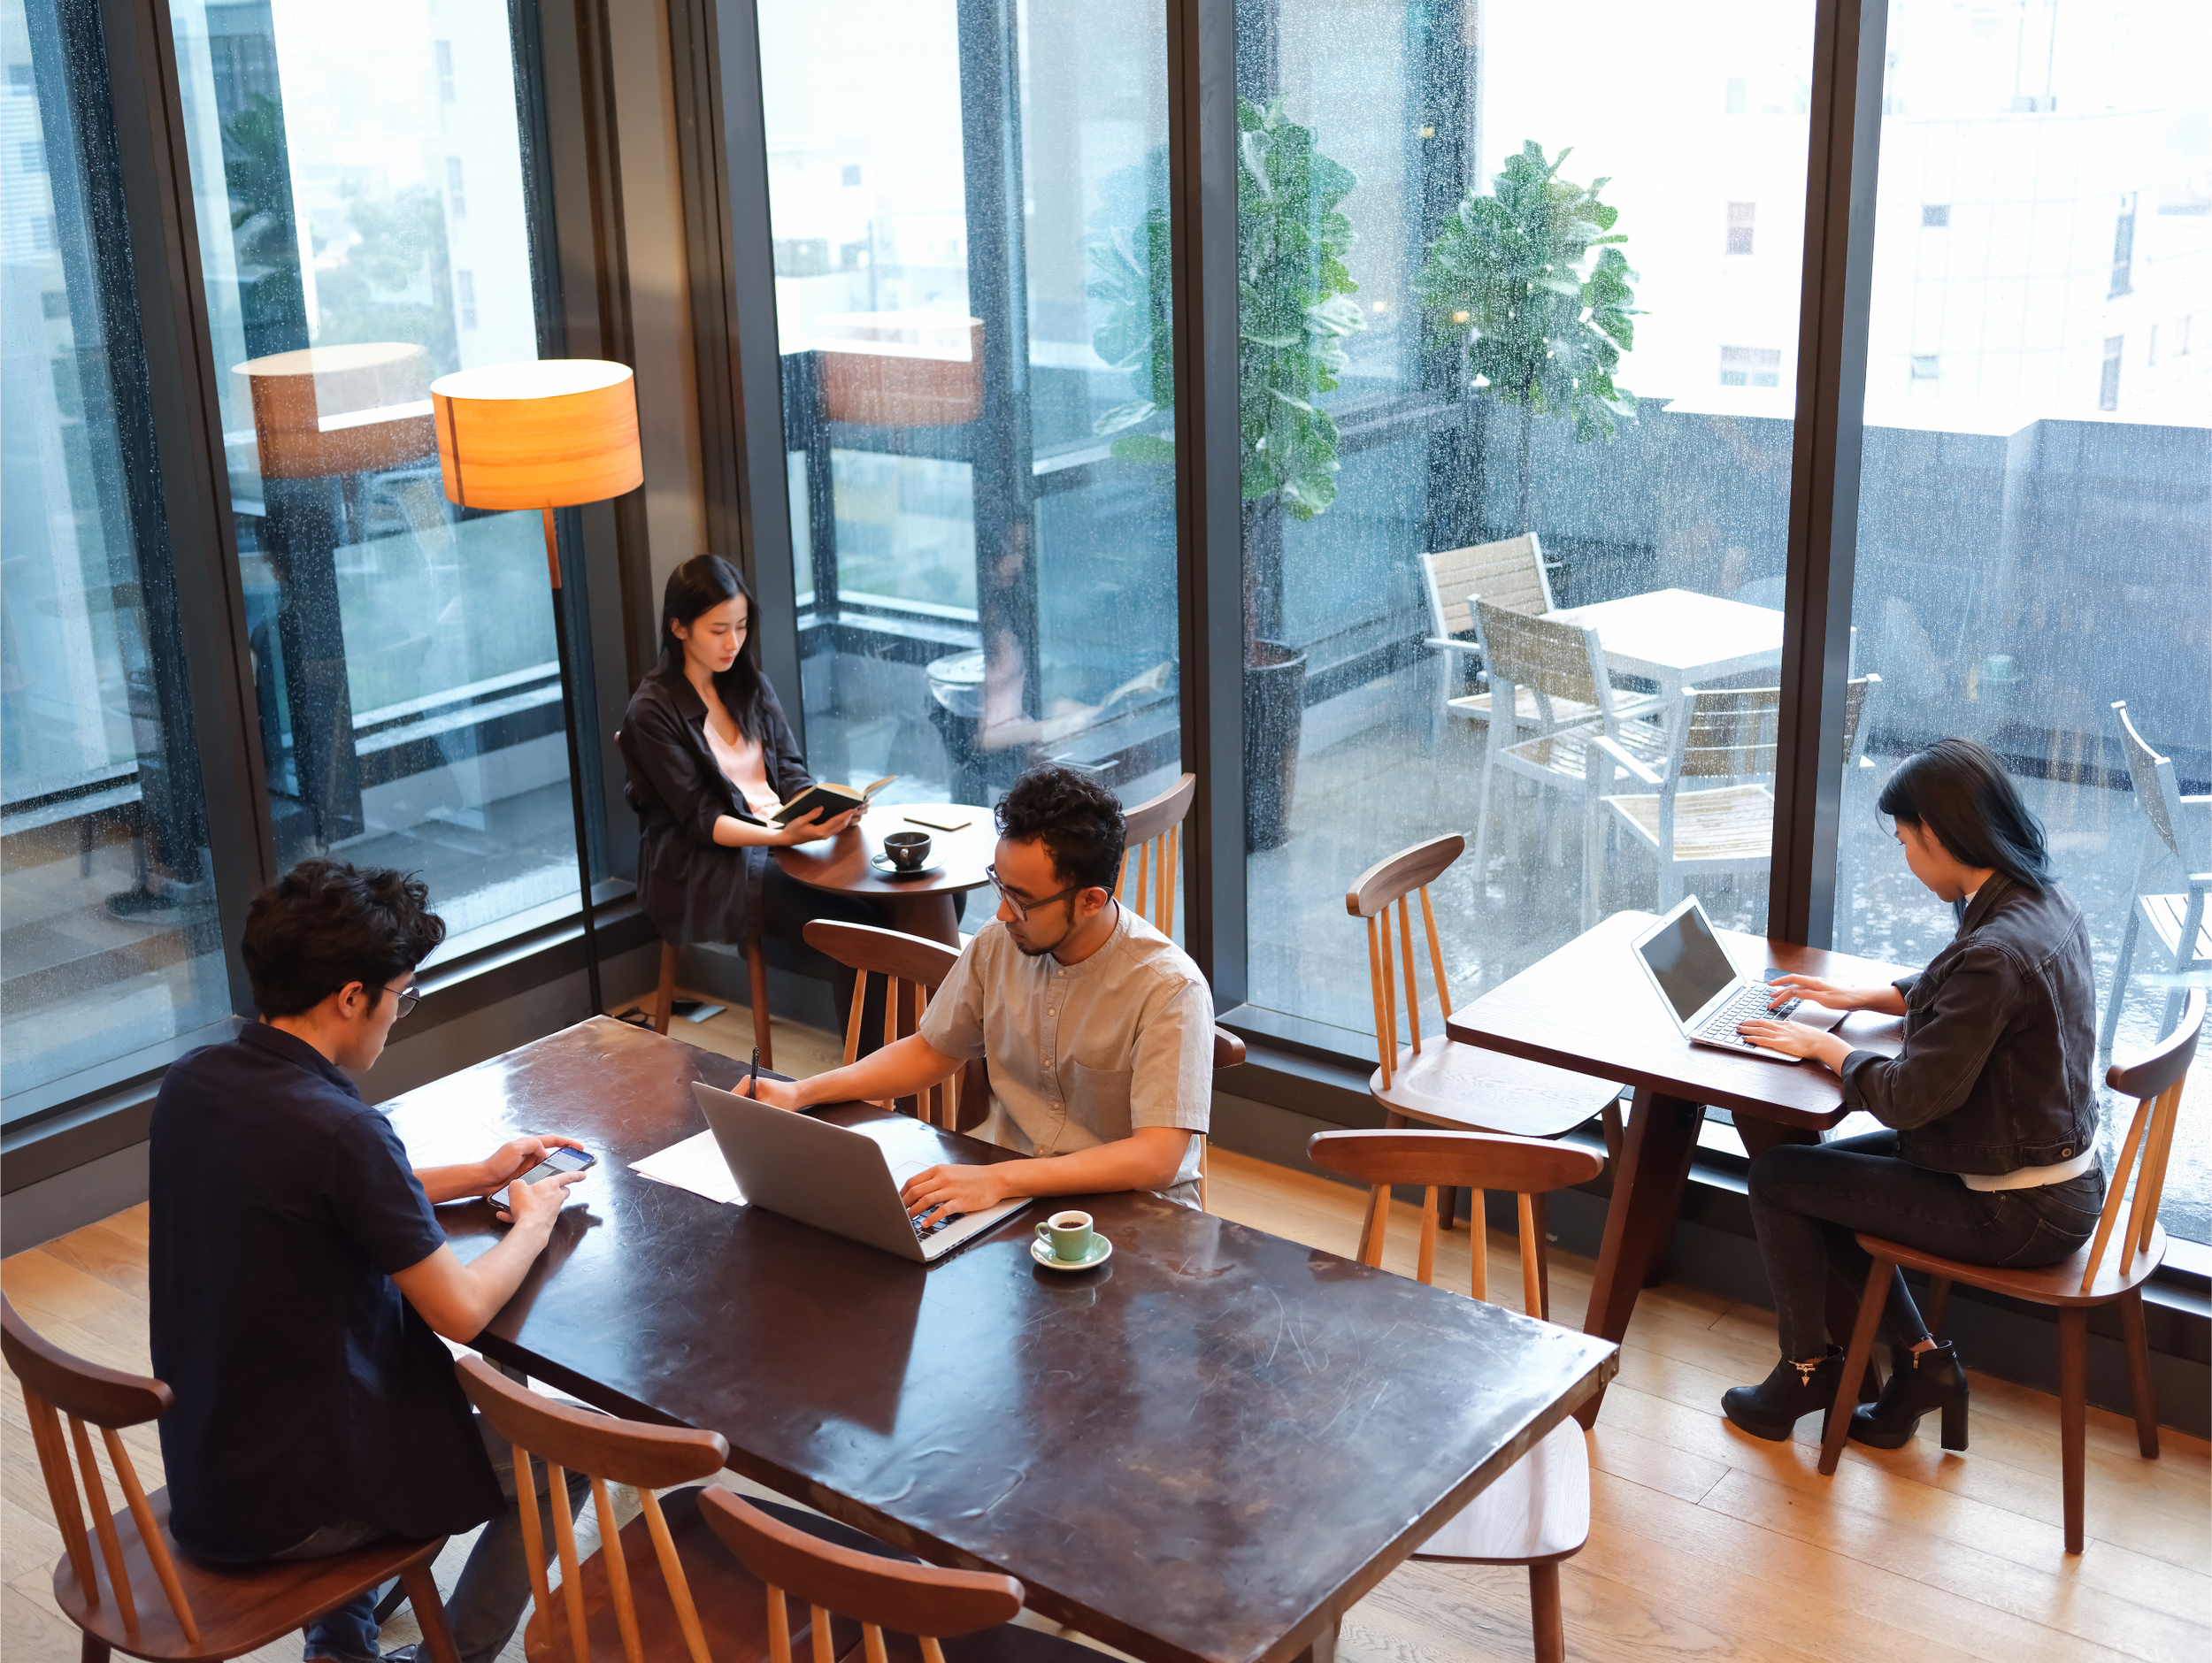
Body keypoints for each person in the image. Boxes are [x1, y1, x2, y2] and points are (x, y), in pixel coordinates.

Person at [149, 861, 590, 1663]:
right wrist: (532, 1221)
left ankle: (340, 1644)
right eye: (401, 995)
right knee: (569, 1453)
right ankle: (454, 1654)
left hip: (210, 1467)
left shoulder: (196, 1083)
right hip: (298, 1501)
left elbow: (317, 1187)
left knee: (367, 1393)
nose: (398, 1014)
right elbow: (460, 1311)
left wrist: (481, 1174)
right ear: (352, 996)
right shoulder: (342, 1131)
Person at [1723, 738, 2103, 1448]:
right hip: (2037, 1170)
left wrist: (1827, 1046)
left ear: (1934, 831)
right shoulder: (2040, 899)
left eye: (1904, 841)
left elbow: (1906, 1099)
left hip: (2017, 1208)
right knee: (1813, 1183)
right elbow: (1965, 990)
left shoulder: (1995, 952)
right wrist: (1864, 996)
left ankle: (1807, 1372)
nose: (1905, 858)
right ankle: (1924, 1365)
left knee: (1779, 1179)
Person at [741, 764, 1216, 1212]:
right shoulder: (999, 942)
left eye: (1021, 900)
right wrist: (801, 1092)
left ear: (1091, 900)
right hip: (1018, 1195)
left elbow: (1156, 1159)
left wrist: (1001, 1179)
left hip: (1135, 1213)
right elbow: (931, 1051)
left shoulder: (1170, 988)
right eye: (999, 885)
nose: (1003, 913)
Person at [619, 554, 879, 1023]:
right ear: (679, 628)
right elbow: (701, 819)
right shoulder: (652, 710)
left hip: (781, 841)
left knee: (915, 894)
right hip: (712, 862)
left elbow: (791, 772)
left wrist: (827, 810)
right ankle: (873, 1064)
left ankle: (928, 1055)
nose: (733, 643)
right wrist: (779, 835)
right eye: (718, 630)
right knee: (859, 924)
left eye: (740, 627)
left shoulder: (749, 685)